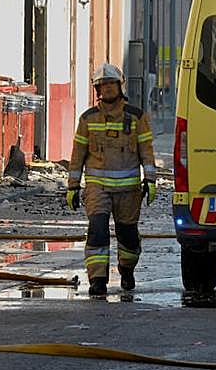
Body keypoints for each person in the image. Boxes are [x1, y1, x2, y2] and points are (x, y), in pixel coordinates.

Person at [67, 63, 157, 296]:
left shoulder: (137, 117)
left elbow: (146, 150)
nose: (106, 89)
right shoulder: (87, 119)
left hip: (128, 191)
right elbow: (78, 155)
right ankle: (97, 280)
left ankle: (126, 270)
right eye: (102, 85)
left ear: (119, 86)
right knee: (97, 230)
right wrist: (73, 186)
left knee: (127, 235)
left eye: (110, 84)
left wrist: (150, 179)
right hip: (98, 189)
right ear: (97, 89)